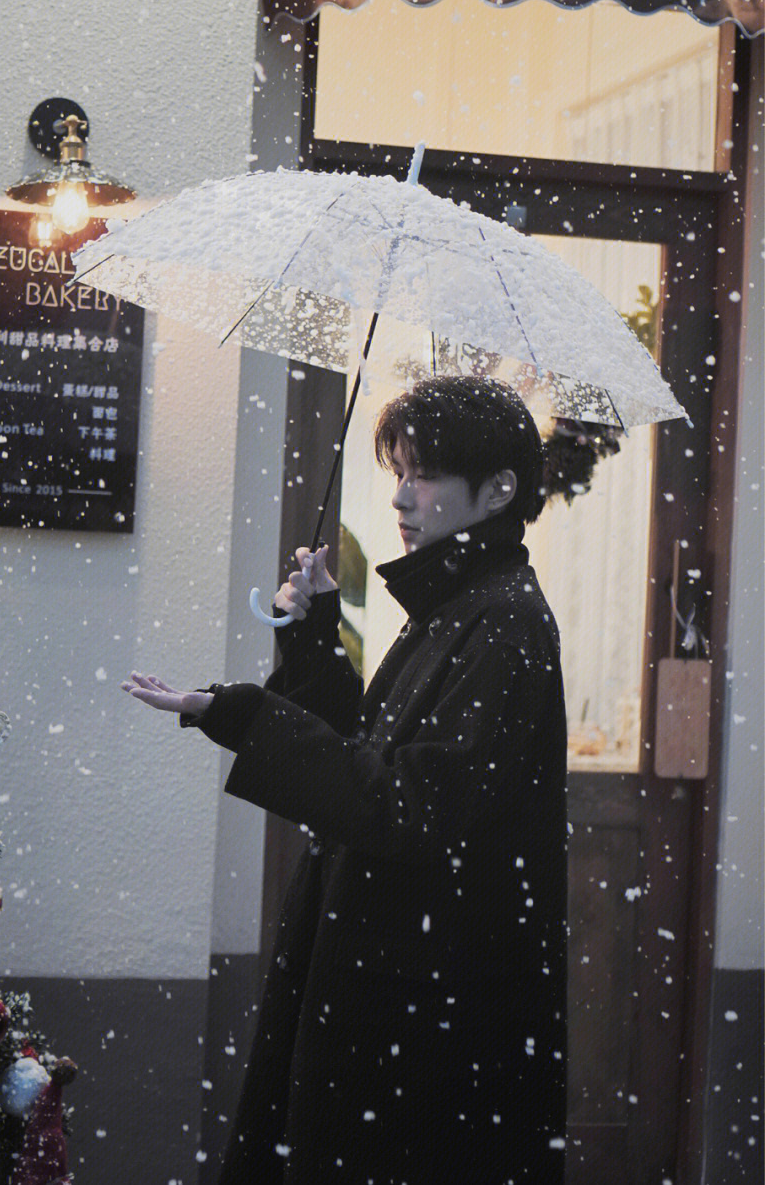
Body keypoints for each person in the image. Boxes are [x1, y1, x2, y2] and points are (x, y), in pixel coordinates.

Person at [123, 375, 568, 1185]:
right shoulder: (458, 603)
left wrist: (234, 712)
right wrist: (315, 631)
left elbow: (405, 805)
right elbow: (366, 753)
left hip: (426, 1000)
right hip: (386, 973)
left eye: (423, 474)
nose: (401, 496)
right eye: (397, 470)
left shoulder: (503, 619)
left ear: (498, 489)